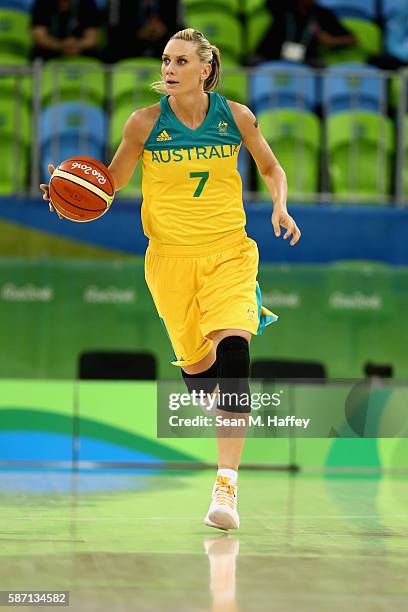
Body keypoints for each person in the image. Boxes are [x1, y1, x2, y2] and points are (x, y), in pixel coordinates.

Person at [40, 28, 301, 531]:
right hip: (169, 261)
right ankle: (222, 410)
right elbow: (110, 183)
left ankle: (226, 484)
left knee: (234, 357)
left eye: (180, 61)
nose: (169, 69)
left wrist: (281, 206)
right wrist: (67, 187)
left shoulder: (236, 116)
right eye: (165, 60)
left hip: (229, 252)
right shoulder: (143, 124)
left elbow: (270, 166)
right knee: (201, 376)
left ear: (205, 68)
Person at [252, 0, 356, 66]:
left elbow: (351, 39)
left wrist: (331, 41)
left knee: (321, 67)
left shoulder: (321, 13)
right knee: (251, 62)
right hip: (272, 56)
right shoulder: (282, 6)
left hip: (307, 59)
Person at [104, 0, 183, 62]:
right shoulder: (120, 3)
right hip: (128, 51)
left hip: (163, 49)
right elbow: (113, 34)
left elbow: (179, 32)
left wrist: (164, 31)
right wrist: (138, 33)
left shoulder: (173, 3)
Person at [31, 0, 101, 61]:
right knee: (38, 55)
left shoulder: (87, 3)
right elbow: (40, 37)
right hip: (50, 50)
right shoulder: (43, 3)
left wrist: (77, 45)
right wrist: (62, 46)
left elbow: (92, 39)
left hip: (81, 50)